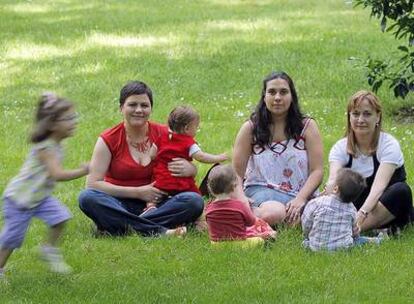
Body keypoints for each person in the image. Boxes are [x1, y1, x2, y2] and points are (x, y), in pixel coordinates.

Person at [78, 81, 204, 237]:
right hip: (120, 203)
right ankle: (161, 231)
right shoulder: (108, 139)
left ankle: (120, 226)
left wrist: (192, 169)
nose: (139, 110)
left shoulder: (166, 134)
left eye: (144, 105)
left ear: (151, 109)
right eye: (132, 105)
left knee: (193, 201)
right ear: (121, 108)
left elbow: (189, 169)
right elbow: (92, 184)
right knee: (87, 198)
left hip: (160, 203)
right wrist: (138, 192)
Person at [0, 93, 89, 280]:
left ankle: (48, 248)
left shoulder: (57, 144)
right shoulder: (46, 149)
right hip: (20, 199)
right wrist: (83, 171)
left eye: (75, 117)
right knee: (12, 239)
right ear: (52, 124)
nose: (74, 121)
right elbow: (57, 175)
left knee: (60, 217)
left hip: (39, 197)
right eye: (69, 118)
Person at [233, 71, 323, 225]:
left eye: (283, 92)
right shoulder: (250, 128)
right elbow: (236, 174)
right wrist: (241, 200)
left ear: (292, 96)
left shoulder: (307, 127)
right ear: (264, 96)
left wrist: (300, 200)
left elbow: (317, 170)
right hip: (261, 191)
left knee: (319, 217)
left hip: (300, 194)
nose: (277, 98)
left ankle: (257, 220)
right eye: (272, 92)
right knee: (274, 213)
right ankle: (250, 215)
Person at [327, 90, 413, 233]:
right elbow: (332, 181)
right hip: (355, 207)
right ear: (349, 117)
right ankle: (356, 228)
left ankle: (350, 230)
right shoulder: (340, 148)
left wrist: (361, 215)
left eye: (367, 114)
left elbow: (378, 188)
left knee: (401, 191)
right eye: (355, 114)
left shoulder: (389, 145)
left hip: (387, 208)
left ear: (377, 117)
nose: (360, 119)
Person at [143, 105, 228, 214]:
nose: (197, 130)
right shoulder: (189, 143)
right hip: (180, 183)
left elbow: (152, 155)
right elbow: (201, 157)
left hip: (161, 180)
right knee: (196, 196)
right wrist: (219, 157)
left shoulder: (162, 137)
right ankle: (199, 218)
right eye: (196, 127)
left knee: (154, 195)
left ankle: (151, 206)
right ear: (187, 128)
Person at [302, 168, 382, 251]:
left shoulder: (317, 202)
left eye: (332, 180)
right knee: (357, 240)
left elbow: (306, 222)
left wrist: (308, 234)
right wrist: (356, 233)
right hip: (343, 248)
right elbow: (354, 232)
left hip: (316, 247)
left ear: (335, 189)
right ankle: (375, 240)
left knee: (305, 242)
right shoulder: (351, 210)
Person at [205, 164, 276, 246]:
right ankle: (269, 235)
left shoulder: (209, 208)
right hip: (239, 243)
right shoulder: (239, 206)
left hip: (216, 245)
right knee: (260, 238)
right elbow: (251, 222)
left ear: (210, 188)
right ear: (234, 185)